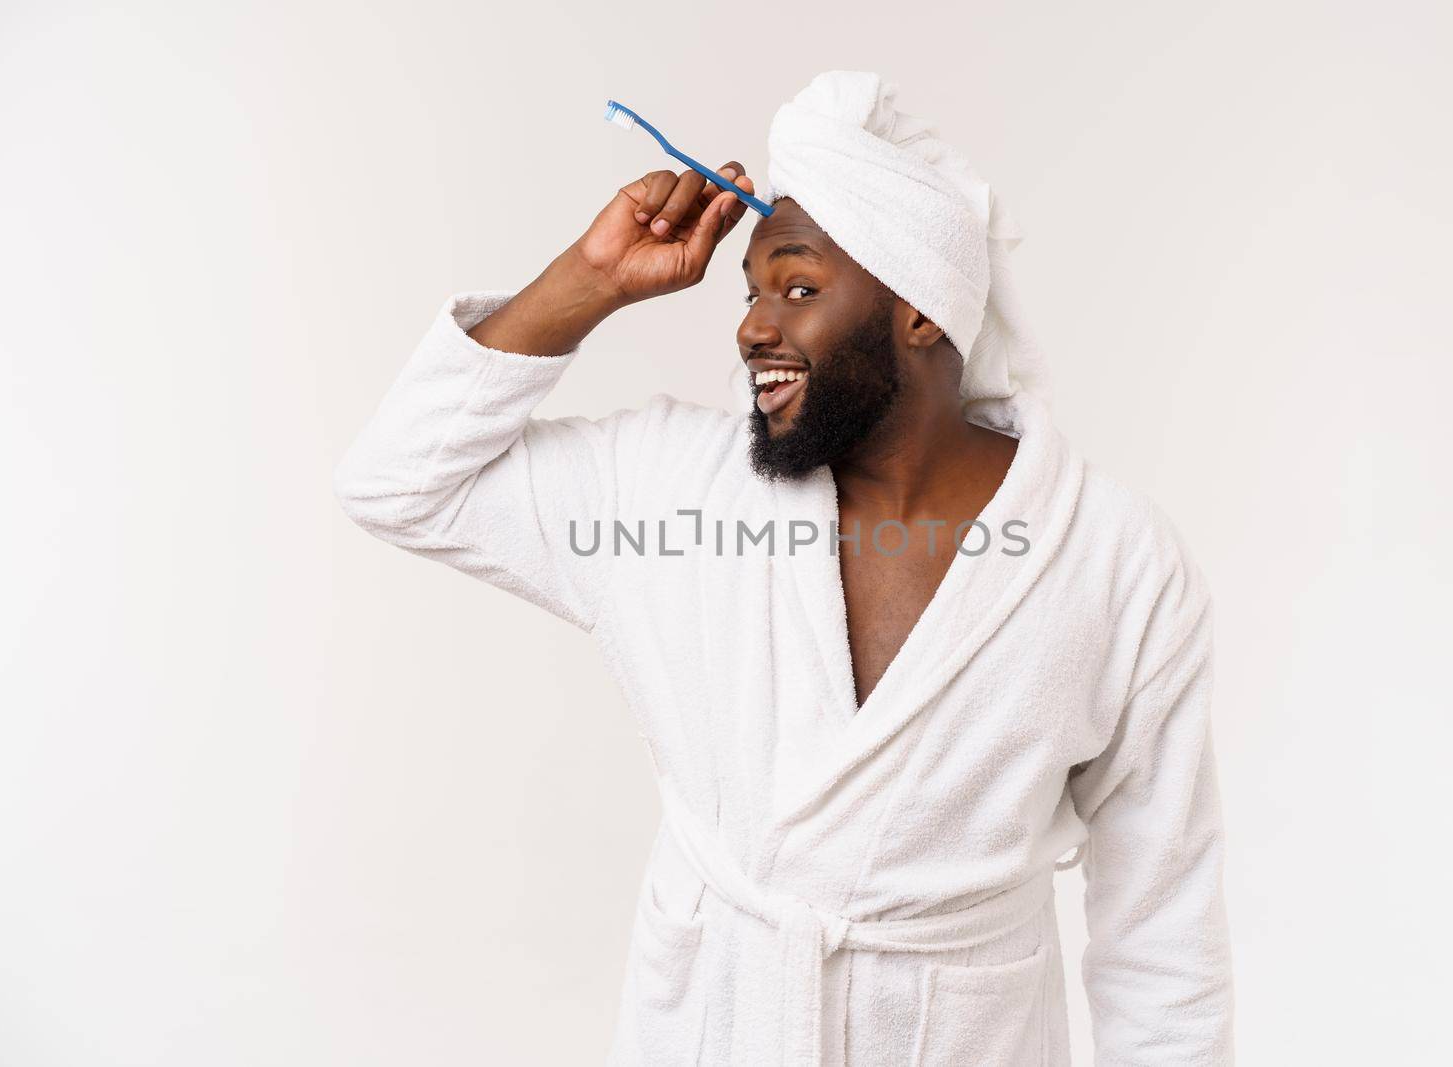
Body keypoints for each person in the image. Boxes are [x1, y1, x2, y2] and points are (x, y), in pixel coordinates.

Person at [335, 71, 1234, 1067]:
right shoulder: (673, 491)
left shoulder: (1112, 560)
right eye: (752, 289)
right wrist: (588, 280)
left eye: (798, 288)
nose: (754, 324)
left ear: (920, 311)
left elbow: (1163, 925)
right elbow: (394, 482)